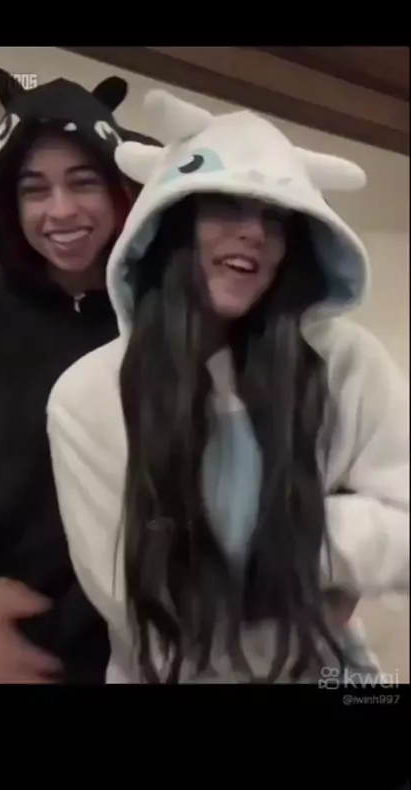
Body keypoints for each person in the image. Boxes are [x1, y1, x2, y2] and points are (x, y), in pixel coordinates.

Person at [46, 90, 409, 683]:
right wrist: (317, 597)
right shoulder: (87, 396)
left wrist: (311, 539)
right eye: (226, 207)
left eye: (276, 218)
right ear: (171, 224)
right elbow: (139, 607)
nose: (254, 233)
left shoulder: (348, 363)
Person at [0, 65, 155, 684]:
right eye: (34, 190)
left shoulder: (165, 316)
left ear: (120, 191)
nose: (60, 211)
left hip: (140, 647)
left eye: (83, 183)